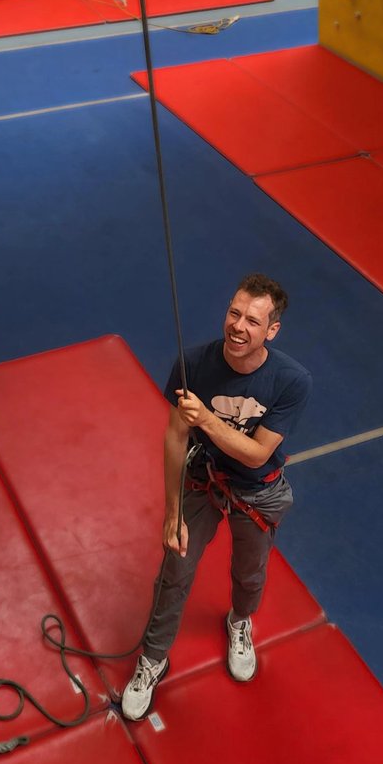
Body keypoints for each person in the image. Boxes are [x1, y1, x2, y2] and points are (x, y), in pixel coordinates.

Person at [121, 273, 311, 720]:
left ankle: (239, 621)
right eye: (234, 313)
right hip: (203, 477)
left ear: (272, 330)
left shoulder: (291, 380)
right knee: (175, 569)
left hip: (257, 486)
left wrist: (206, 419)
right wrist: (172, 513)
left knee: (250, 573)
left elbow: (257, 453)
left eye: (252, 321)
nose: (238, 326)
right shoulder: (193, 364)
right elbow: (174, 438)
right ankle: (153, 658)